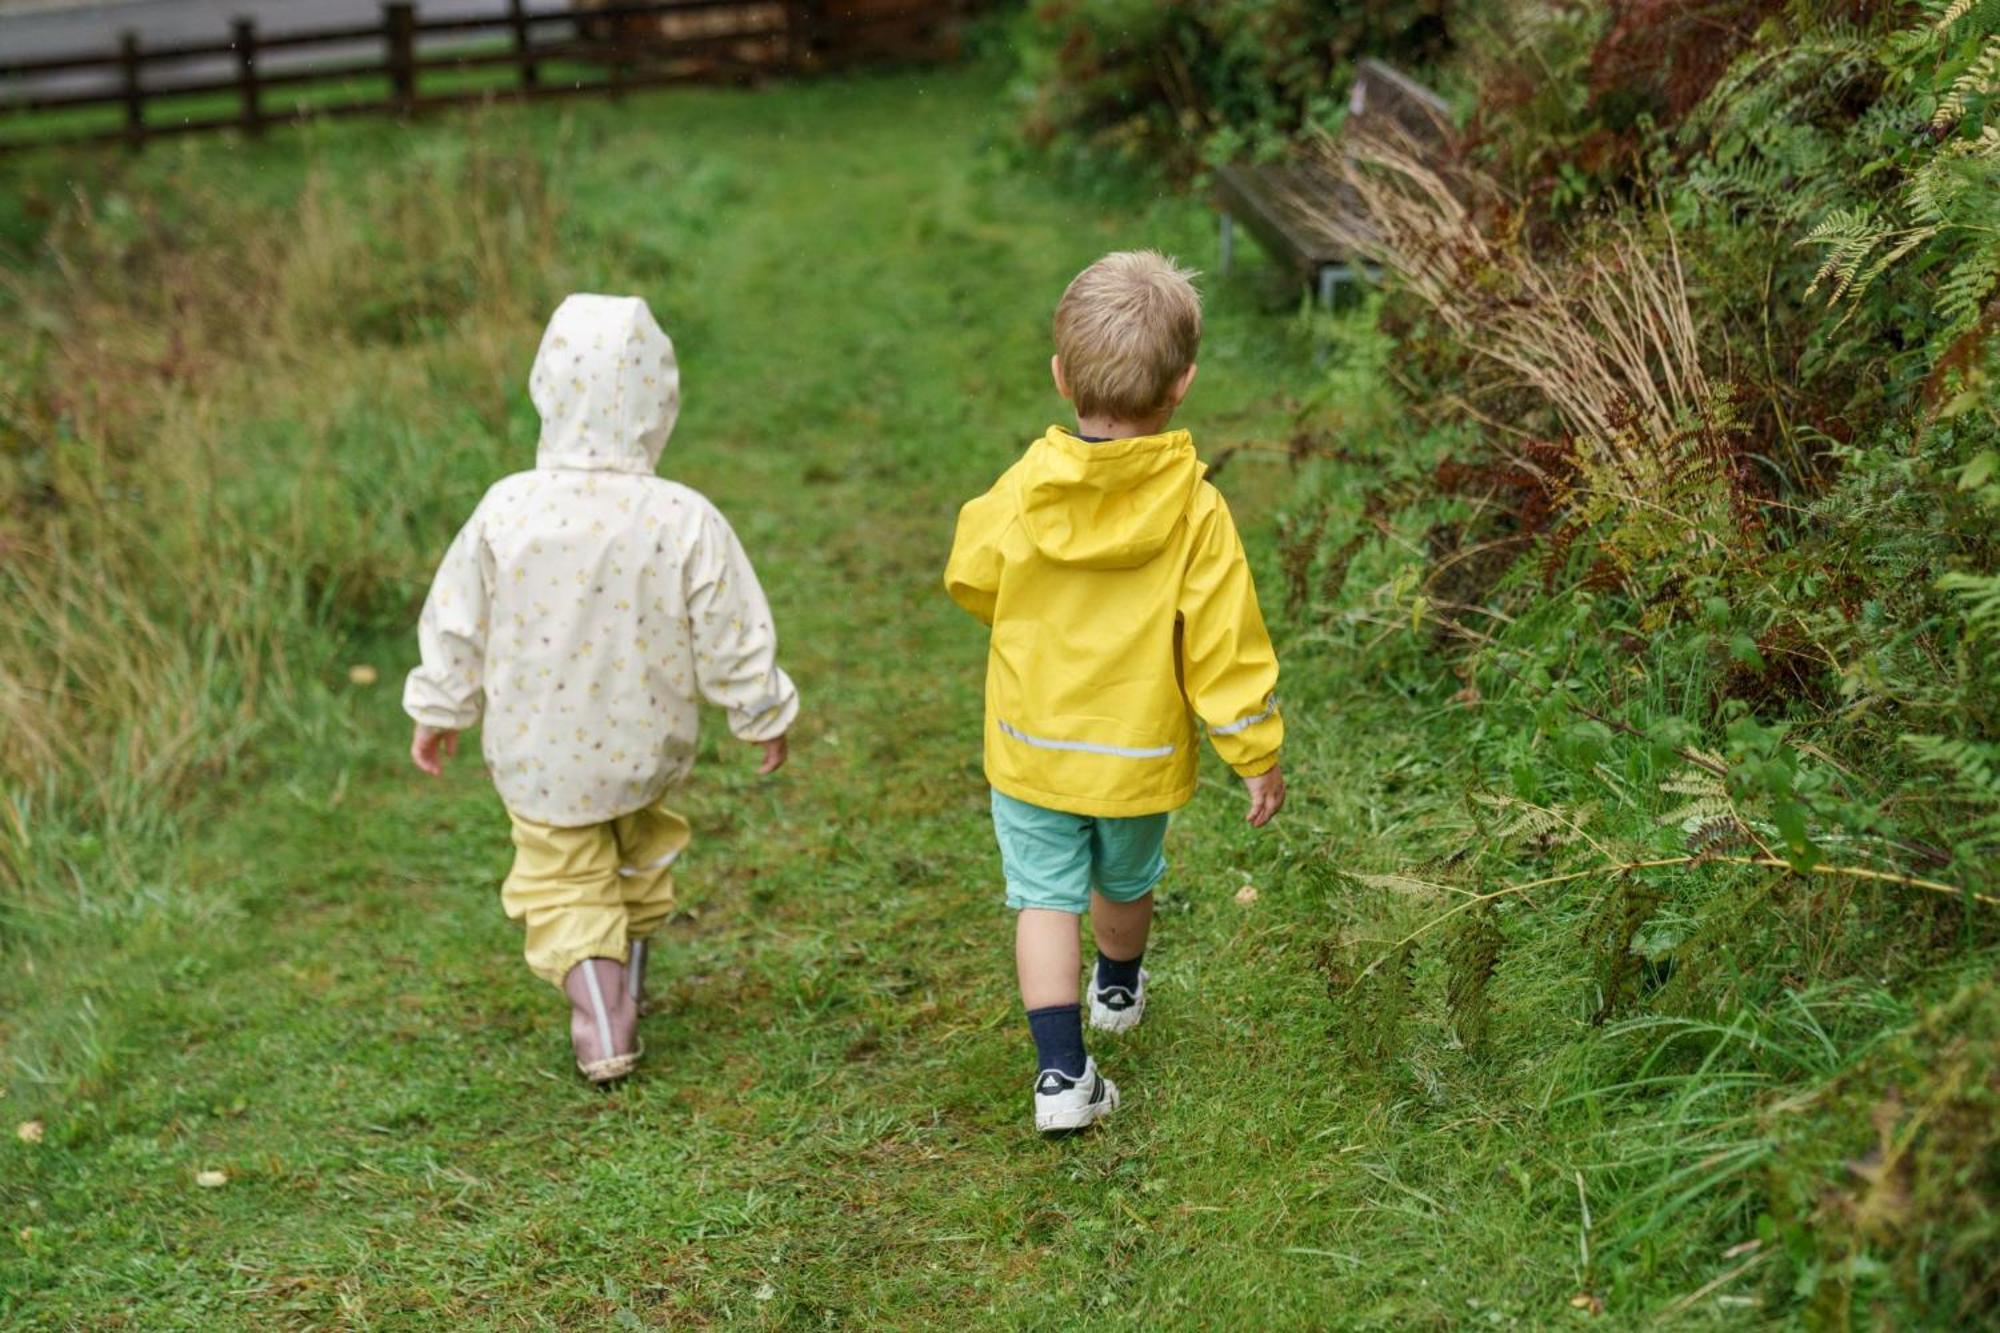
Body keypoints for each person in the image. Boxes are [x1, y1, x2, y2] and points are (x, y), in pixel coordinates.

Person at [404, 293, 798, 1083]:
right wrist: (759, 710)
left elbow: (457, 618)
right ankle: (627, 977)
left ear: (546, 390)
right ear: (660, 404)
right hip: (644, 740)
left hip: (540, 752)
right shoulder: (682, 516)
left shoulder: (506, 507)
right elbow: (731, 623)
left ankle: (601, 1009)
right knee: (637, 855)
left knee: (561, 880)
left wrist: (441, 704)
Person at [945, 250, 1287, 1133]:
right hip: (1134, 746)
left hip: (1030, 739)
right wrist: (1254, 749)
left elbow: (970, 573)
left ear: (1061, 376)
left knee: (1043, 896)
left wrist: (1021, 615)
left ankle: (1062, 1077)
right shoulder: (1194, 511)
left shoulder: (1027, 487)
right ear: (1183, 385)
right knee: (1125, 878)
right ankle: (1120, 988)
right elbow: (1225, 642)